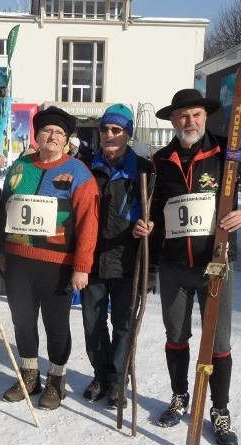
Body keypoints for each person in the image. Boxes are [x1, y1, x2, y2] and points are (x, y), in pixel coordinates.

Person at [138, 88, 241, 445]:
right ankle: (179, 396)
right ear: (172, 121)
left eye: (196, 115)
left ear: (205, 117)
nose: (190, 122)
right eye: (183, 116)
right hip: (174, 267)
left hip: (216, 265)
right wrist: (150, 227)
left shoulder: (227, 152)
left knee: (218, 341)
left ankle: (219, 410)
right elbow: (156, 211)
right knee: (176, 336)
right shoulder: (160, 160)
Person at [0, 106, 99, 410]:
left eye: (60, 133)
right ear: (37, 136)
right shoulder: (19, 167)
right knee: (23, 322)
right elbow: (5, 210)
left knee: (56, 325)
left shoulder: (78, 172)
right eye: (47, 131)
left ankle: (56, 379)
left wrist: (82, 266)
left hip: (57, 264)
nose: (53, 136)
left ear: (66, 140)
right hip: (18, 262)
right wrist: (1, 251)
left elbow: (88, 222)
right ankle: (29, 375)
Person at [80, 104, 154, 409]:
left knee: (124, 324)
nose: (109, 135)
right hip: (92, 259)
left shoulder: (144, 170)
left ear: (128, 134)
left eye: (116, 130)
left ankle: (117, 382)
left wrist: (150, 225)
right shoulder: (84, 168)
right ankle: (101, 373)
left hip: (128, 260)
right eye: (104, 129)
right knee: (92, 323)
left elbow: (157, 211)